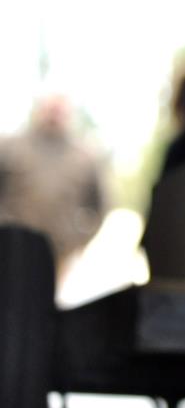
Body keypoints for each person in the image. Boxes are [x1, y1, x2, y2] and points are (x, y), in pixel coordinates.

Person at [0, 94, 106, 273]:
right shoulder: (9, 148)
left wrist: (78, 241)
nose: (54, 116)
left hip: (57, 253)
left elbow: (101, 206)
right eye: (50, 109)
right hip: (9, 248)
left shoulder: (85, 158)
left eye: (59, 111)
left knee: (46, 299)